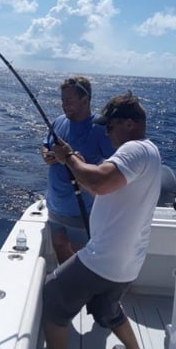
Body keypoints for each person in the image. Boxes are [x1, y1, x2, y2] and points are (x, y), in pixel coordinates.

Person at [42, 91, 162, 349]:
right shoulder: (151, 151)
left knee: (52, 296)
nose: (106, 133)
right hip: (127, 262)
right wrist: (80, 165)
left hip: (104, 258)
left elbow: (100, 181)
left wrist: (69, 158)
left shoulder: (134, 149)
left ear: (130, 124)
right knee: (106, 308)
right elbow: (100, 184)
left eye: (110, 126)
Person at [42, 76, 114, 264]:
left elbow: (113, 166)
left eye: (69, 100)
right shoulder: (59, 121)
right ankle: (69, 289)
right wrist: (46, 154)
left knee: (84, 260)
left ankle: (84, 293)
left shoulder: (100, 128)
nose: (64, 105)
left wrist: (79, 162)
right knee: (59, 246)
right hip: (55, 206)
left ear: (85, 100)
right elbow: (45, 144)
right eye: (62, 100)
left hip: (82, 210)